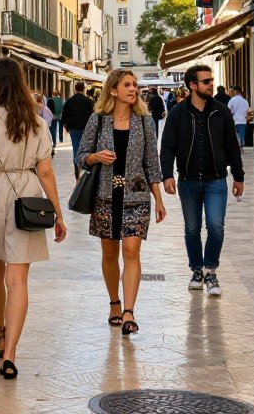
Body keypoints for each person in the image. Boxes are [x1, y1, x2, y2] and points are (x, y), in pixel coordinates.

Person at [0, 58, 66, 381]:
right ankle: (10, 354)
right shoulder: (36, 123)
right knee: (18, 280)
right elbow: (46, 170)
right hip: (27, 195)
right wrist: (58, 213)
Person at [77, 70, 165, 336]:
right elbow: (81, 156)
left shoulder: (144, 121)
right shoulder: (98, 120)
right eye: (127, 84)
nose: (133, 89)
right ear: (113, 90)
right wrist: (95, 157)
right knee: (109, 254)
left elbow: (152, 161)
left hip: (136, 196)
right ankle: (114, 302)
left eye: (135, 84)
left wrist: (158, 199)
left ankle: (129, 311)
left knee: (131, 252)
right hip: (104, 196)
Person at [160, 64, 244, 298]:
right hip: (187, 181)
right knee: (192, 228)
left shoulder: (221, 111)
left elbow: (231, 147)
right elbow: (167, 146)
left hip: (216, 180)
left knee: (216, 227)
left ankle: (211, 270)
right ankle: (197, 270)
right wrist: (167, 175)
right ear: (193, 86)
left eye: (211, 80)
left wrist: (239, 176)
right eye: (206, 81)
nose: (211, 84)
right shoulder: (178, 112)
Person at [62, 82, 95, 179]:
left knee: (76, 148)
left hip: (74, 128)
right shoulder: (88, 101)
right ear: (84, 89)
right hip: (86, 128)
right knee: (86, 148)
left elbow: (64, 116)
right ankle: (84, 168)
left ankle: (77, 167)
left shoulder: (69, 101)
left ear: (75, 89)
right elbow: (93, 116)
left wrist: (66, 127)